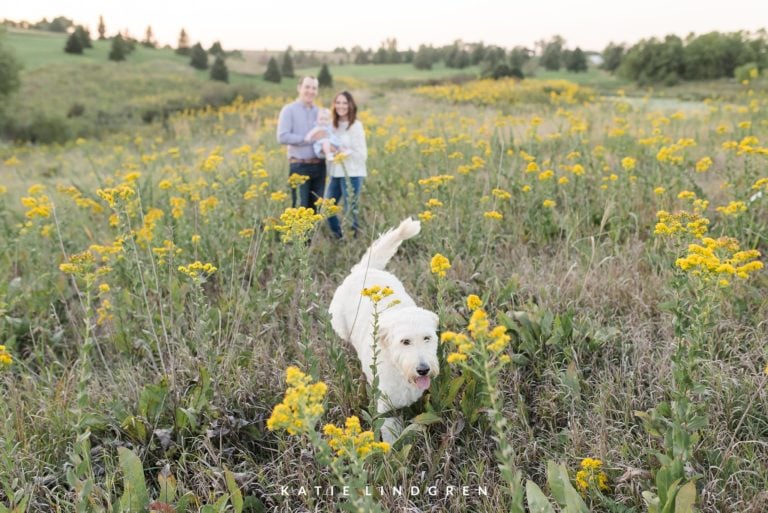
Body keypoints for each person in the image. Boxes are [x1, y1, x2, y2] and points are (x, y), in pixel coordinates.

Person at [276, 76, 327, 211]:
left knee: (316, 209)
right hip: (299, 165)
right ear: (299, 88)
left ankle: (313, 233)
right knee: (299, 208)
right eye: (307, 87)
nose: (310, 91)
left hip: (320, 166)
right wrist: (306, 139)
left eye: (314, 88)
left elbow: (327, 134)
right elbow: (282, 137)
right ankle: (298, 233)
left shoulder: (320, 112)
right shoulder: (289, 110)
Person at [325, 91, 367, 239]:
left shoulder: (356, 126)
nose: (341, 106)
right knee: (327, 208)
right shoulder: (332, 125)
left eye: (344, 103)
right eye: (338, 102)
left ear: (350, 105)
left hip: (353, 173)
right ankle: (340, 237)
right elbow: (326, 146)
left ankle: (352, 241)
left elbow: (362, 155)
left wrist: (343, 151)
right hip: (336, 172)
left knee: (350, 210)